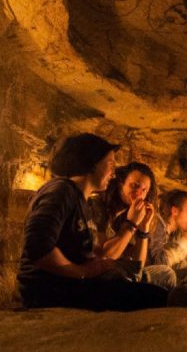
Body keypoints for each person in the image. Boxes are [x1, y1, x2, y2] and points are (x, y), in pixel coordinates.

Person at [17, 133, 167, 311]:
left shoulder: (80, 200)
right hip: (52, 290)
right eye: (110, 163)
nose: (113, 174)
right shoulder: (61, 191)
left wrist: (103, 264)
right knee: (158, 299)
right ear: (92, 163)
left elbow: (90, 251)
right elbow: (38, 246)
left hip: (71, 285)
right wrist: (83, 272)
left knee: (156, 289)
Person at [91, 162, 177, 290]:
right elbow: (104, 256)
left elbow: (138, 267)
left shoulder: (133, 212)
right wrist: (131, 224)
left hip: (126, 274)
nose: (139, 194)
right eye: (134, 186)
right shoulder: (98, 205)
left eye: (144, 190)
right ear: (121, 184)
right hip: (100, 273)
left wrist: (143, 228)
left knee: (167, 273)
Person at [148, 189, 187, 284]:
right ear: (175, 211)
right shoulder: (156, 223)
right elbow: (159, 265)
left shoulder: (176, 232)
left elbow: (180, 265)